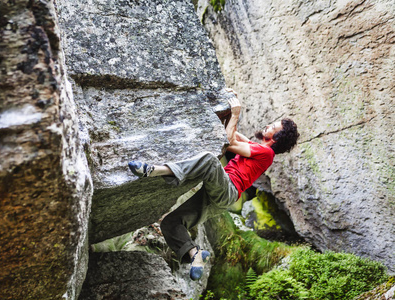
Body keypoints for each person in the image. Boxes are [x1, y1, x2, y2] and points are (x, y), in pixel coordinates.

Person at [128, 91, 300, 280]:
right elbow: (233, 134)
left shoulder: (266, 154)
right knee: (171, 223)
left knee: (210, 160)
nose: (268, 125)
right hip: (219, 197)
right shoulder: (256, 148)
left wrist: (235, 115)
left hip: (227, 191)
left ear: (278, 136)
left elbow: (226, 142)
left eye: (274, 126)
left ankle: (156, 170)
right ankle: (196, 255)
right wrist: (228, 109)